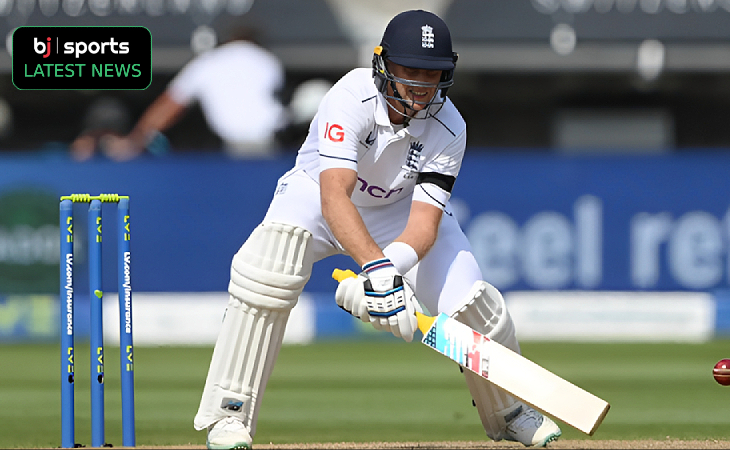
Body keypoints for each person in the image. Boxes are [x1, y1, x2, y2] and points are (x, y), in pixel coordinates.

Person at [193, 10, 562, 449]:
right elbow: (334, 197)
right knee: (266, 268)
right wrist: (379, 271)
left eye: (433, 74)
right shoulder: (351, 96)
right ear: (382, 63)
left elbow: (425, 224)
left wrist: (390, 271)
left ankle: (510, 411)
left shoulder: (450, 128)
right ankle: (229, 414)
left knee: (473, 306)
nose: (421, 86)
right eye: (411, 71)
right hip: (314, 196)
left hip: (398, 211)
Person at [101, 27, 288, 161]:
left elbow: (170, 104)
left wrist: (135, 141)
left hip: (260, 149)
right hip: (270, 145)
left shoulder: (208, 62)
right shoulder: (268, 60)